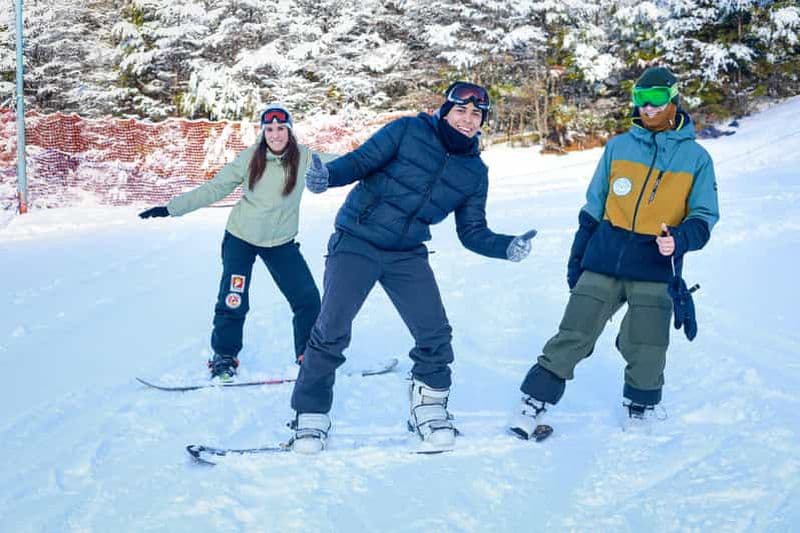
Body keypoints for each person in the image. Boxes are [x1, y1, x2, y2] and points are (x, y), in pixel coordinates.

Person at [288, 81, 538, 454]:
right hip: (356, 241)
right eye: (461, 110)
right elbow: (360, 162)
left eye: (476, 114)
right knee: (332, 329)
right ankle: (310, 413)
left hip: (406, 253)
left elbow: (472, 232)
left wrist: (505, 246)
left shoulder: (474, 172)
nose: (468, 119)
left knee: (434, 333)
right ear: (444, 111)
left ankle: (429, 406)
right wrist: (329, 176)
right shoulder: (407, 130)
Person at [510, 66, 720, 438]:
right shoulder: (618, 148)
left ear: (673, 100)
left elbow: (704, 216)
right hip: (604, 259)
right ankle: (534, 400)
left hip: (655, 265)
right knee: (574, 332)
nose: (648, 107)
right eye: (641, 99)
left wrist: (681, 239)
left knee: (647, 342)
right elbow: (593, 207)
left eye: (656, 99)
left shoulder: (697, 159)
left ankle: (640, 406)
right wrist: (578, 257)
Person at [139, 104, 333, 382]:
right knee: (233, 299)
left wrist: (383, 159)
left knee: (307, 299)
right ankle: (224, 356)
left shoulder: (305, 158)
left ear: (289, 131)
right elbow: (215, 188)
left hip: (280, 242)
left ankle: (308, 355)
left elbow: (347, 163)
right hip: (241, 238)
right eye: (269, 129)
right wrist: (172, 208)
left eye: (281, 128)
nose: (275, 134)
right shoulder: (250, 158)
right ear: (263, 132)